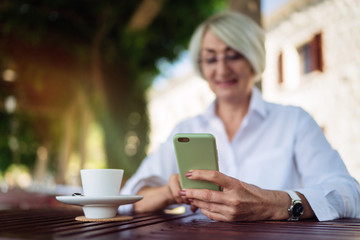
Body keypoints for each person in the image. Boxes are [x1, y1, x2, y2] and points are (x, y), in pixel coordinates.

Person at [120, 11, 360, 221]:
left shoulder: (294, 121)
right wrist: (167, 192)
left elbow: (348, 194)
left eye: (233, 55)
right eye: (211, 58)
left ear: (253, 59)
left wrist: (274, 203)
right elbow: (127, 200)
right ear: (202, 66)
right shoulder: (186, 128)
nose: (222, 69)